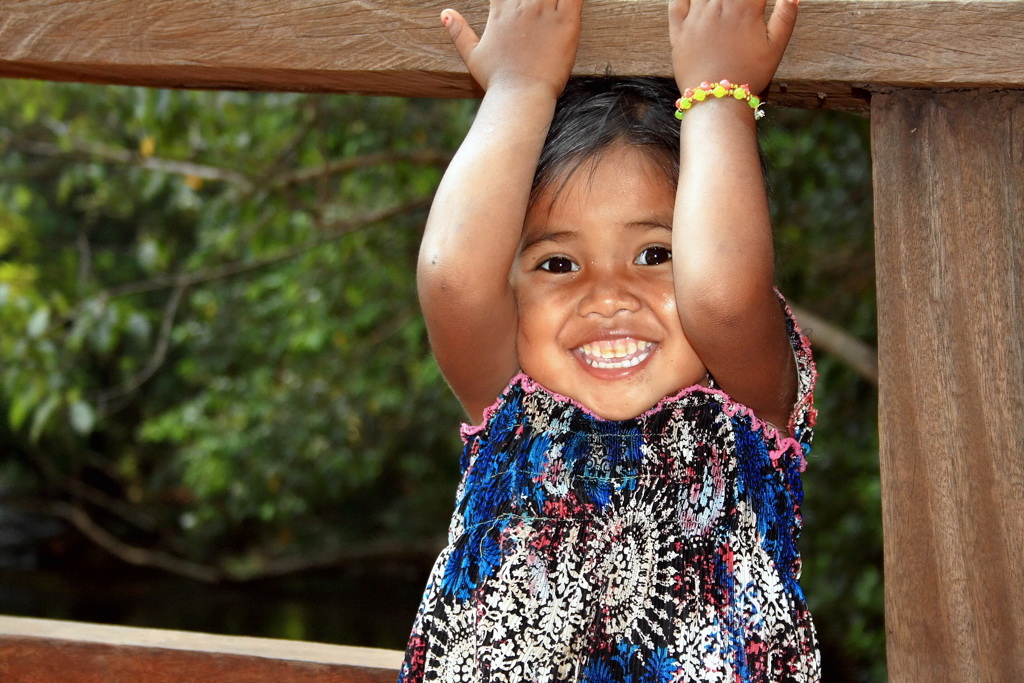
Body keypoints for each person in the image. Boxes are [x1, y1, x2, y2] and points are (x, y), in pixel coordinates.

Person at [400, 0, 819, 679]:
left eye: (656, 253)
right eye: (558, 263)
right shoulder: (510, 407)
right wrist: (519, 86)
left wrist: (719, 96)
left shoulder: (746, 397)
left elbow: (720, 294)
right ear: (512, 288)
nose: (607, 297)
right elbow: (453, 279)